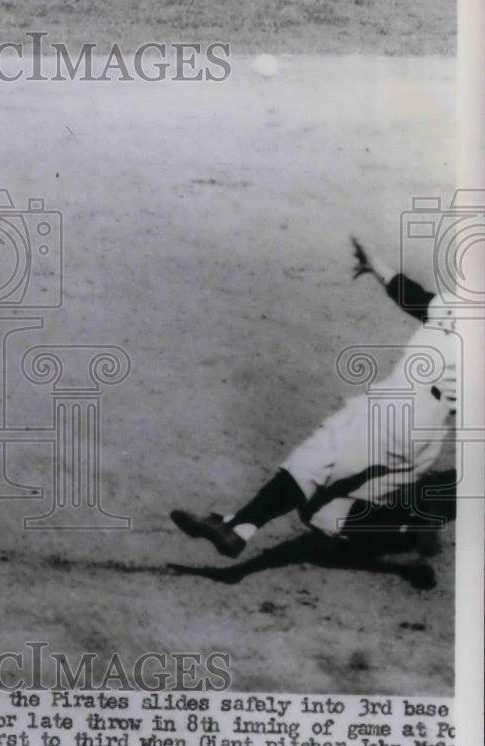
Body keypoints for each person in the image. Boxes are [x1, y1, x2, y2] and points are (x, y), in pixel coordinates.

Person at [171, 237, 458, 559]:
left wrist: (376, 264)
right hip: (427, 437)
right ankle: (408, 525)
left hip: (398, 409)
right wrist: (375, 264)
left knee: (317, 458)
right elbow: (416, 298)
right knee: (321, 513)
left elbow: (415, 298)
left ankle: (239, 527)